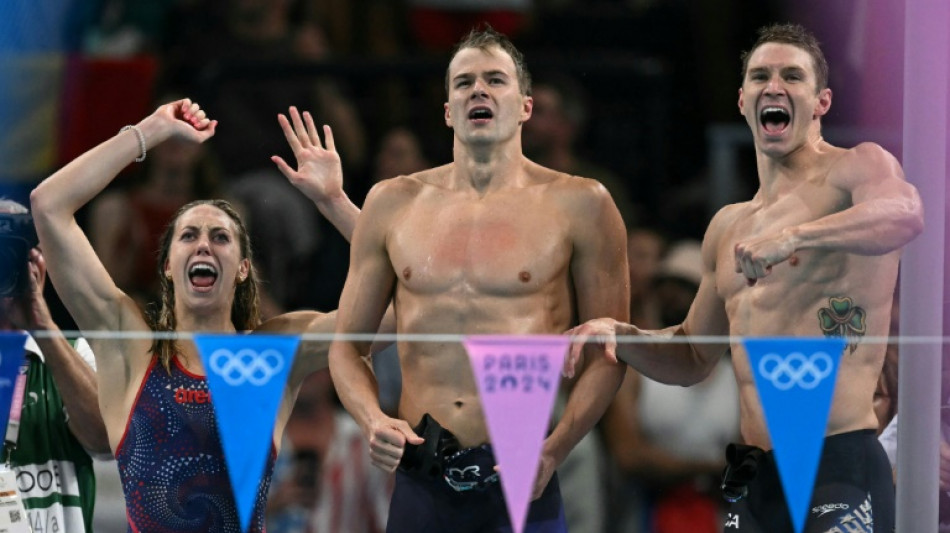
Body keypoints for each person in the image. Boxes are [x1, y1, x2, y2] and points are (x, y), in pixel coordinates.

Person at [567, 23, 923, 533]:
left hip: (836, 461)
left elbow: (906, 213)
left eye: (792, 76)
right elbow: (692, 354)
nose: (774, 86)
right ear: (741, 100)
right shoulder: (728, 226)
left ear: (821, 101)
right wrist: (624, 338)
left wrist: (796, 238)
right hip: (756, 479)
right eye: (761, 75)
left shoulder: (856, 169)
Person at [328, 26, 629, 532]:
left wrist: (556, 449)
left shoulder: (582, 204)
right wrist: (373, 419)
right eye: (464, 82)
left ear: (526, 106)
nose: (479, 91)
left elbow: (612, 350)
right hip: (422, 477)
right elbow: (347, 347)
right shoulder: (391, 202)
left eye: (495, 80)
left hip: (523, 471)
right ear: (448, 110)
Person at [30, 99, 363, 532]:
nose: (203, 244)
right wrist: (148, 131)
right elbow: (48, 205)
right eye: (189, 235)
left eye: (220, 237)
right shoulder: (130, 350)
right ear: (167, 264)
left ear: (244, 269)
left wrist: (335, 201)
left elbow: (398, 317)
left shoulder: (273, 353)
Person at [0, 199, 111, 533]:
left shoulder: (74, 354)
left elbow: (104, 442)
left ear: (40, 267)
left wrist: (42, 326)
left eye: (14, 256)